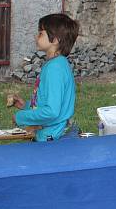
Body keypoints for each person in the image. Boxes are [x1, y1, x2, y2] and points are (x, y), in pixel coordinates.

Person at [9, 13, 80, 142]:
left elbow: (52, 111)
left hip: (53, 139)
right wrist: (26, 106)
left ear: (55, 40)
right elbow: (48, 101)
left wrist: (21, 117)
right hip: (52, 134)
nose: (36, 37)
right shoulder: (56, 64)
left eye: (41, 33)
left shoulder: (55, 69)